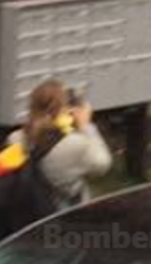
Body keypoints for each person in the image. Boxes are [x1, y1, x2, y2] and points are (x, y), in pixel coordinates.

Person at [6, 80, 114, 208]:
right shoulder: (75, 144)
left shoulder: (14, 139)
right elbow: (103, 165)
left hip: (26, 214)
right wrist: (86, 126)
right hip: (62, 216)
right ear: (63, 110)